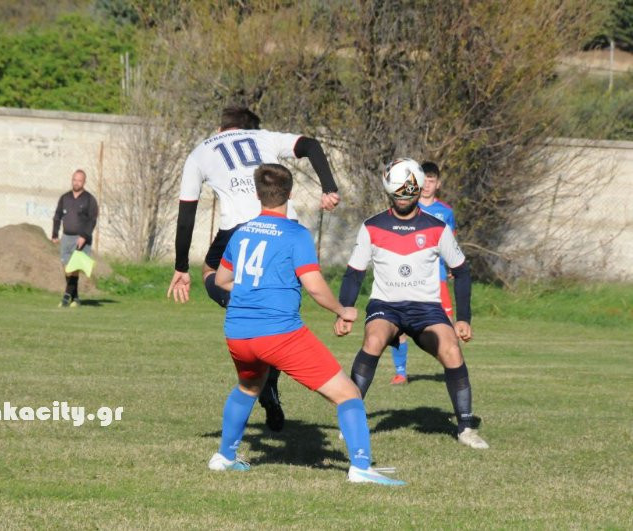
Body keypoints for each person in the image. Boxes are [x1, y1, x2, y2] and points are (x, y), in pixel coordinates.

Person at [208, 163, 404, 485]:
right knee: (348, 394)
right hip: (279, 333)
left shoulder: (242, 232)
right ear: (290, 194)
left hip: (238, 332)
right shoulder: (296, 234)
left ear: (257, 194)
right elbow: (314, 286)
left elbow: (221, 280)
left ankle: (224, 457)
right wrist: (342, 310)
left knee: (248, 387)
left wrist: (253, 290)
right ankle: (361, 467)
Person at [167, 105, 341, 432]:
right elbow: (311, 144)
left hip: (239, 229)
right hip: (285, 226)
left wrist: (181, 267)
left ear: (221, 128)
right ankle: (270, 381)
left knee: (211, 273)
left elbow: (186, 212)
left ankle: (246, 306)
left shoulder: (200, 151)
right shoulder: (264, 137)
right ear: (251, 128)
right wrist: (329, 188)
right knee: (276, 310)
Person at [336, 158, 489, 449]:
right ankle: (351, 421)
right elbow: (354, 272)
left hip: (426, 308)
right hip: (386, 305)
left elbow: (462, 271)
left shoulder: (437, 228)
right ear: (388, 192)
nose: (403, 199)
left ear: (418, 191)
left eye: (408, 193)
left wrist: (463, 318)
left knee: (451, 350)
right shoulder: (372, 226)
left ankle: (466, 429)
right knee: (374, 339)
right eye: (398, 194)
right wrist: (344, 310)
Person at [389, 161, 457, 385]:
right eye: (424, 181)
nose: (427, 185)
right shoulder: (407, 207)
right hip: (408, 276)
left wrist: (452, 266)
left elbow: (451, 243)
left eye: (431, 181)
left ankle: (452, 367)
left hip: (437, 278)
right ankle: (400, 372)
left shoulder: (446, 212)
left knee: (447, 325)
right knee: (399, 323)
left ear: (438, 184)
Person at [51, 169, 99, 307]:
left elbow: (92, 220)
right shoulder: (64, 198)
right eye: (74, 180)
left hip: (81, 239)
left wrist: (84, 236)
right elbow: (57, 216)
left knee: (74, 268)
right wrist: (55, 234)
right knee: (67, 268)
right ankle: (76, 297)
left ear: (84, 182)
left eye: (79, 180)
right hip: (66, 238)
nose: (76, 183)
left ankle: (66, 297)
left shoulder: (89, 199)